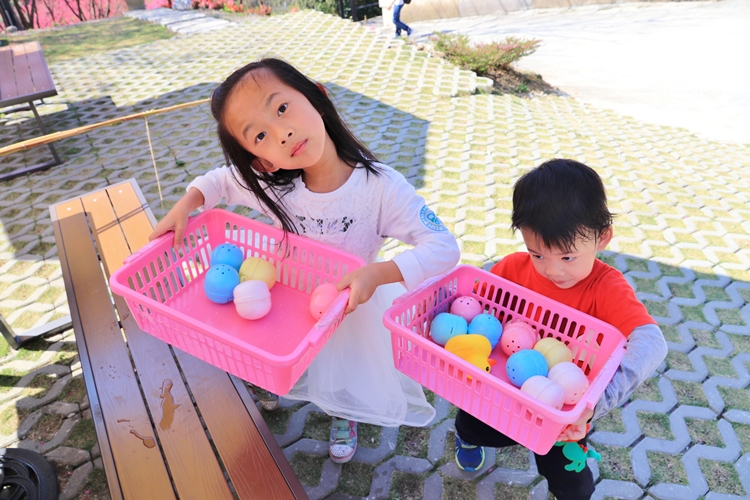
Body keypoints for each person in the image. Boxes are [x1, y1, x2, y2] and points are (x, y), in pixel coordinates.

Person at [149, 58, 460, 464]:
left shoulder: (381, 188)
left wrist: (378, 274)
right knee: (289, 357)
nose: (283, 132)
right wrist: (187, 203)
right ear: (263, 161)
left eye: (281, 108)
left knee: (342, 372)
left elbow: (443, 246)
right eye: (260, 134)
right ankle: (275, 385)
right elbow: (220, 181)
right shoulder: (276, 186)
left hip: (348, 308)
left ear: (317, 95)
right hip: (291, 299)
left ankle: (343, 414)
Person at [453, 159, 668, 500]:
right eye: (537, 254)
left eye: (567, 257)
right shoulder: (513, 267)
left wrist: (595, 403)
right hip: (502, 388)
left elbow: (652, 343)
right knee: (473, 424)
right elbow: (474, 302)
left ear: (602, 237)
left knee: (573, 483)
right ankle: (465, 437)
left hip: (563, 409)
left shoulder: (606, 287)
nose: (552, 270)